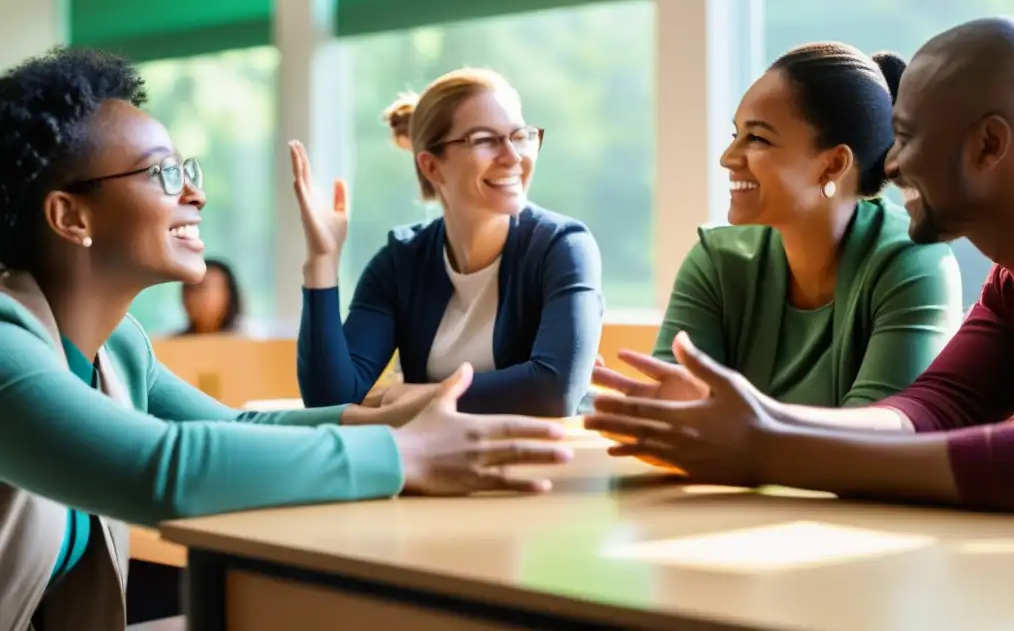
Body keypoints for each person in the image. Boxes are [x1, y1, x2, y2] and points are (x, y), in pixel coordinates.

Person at [0, 49, 573, 631]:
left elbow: (229, 430)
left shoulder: (119, 347)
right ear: (71, 217)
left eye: (187, 171)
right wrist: (407, 454)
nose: (194, 195)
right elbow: (162, 469)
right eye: (162, 173)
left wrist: (386, 421)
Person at [585, 16, 1014, 512]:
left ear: (988, 144)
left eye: (905, 136)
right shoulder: (1007, 288)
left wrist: (767, 449)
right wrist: (761, 421)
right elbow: (932, 409)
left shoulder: (911, 259)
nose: (889, 164)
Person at [653, 43, 961, 406]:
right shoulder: (716, 259)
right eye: (735, 135)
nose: (727, 158)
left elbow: (877, 441)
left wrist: (740, 434)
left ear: (832, 165)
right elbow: (672, 410)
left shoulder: (913, 264)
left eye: (757, 138)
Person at [293, 67, 604, 417]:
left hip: (550, 464)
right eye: (485, 140)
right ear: (431, 167)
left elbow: (553, 391)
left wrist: (405, 397)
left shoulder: (563, 247)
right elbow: (330, 401)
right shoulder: (400, 264)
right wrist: (322, 261)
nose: (514, 157)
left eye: (520, 136)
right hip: (436, 465)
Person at [178, 257, 242, 334]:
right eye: (189, 288)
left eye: (202, 287)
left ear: (228, 295)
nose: (192, 296)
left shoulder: (249, 341)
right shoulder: (170, 343)